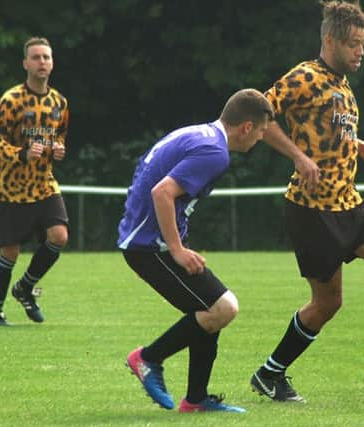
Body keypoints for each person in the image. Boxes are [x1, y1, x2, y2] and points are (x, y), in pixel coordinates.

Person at [249, 1, 364, 403]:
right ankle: (269, 373)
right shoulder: (305, 76)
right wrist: (298, 156)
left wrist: (359, 145)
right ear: (329, 40)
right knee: (327, 303)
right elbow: (259, 114)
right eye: (352, 44)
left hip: (351, 205)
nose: (360, 51)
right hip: (312, 210)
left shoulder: (343, 84)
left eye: (363, 43)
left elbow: (329, 130)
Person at [119, 88, 273, 413]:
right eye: (261, 131)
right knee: (223, 308)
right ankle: (147, 359)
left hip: (147, 240)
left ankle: (196, 400)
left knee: (210, 309)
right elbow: (163, 192)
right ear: (246, 127)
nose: (260, 139)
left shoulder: (199, 133)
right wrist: (175, 248)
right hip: (150, 247)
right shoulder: (215, 151)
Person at [0, 37, 69, 326]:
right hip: (13, 188)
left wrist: (58, 150)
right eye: (36, 57)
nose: (42, 62)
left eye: (46, 57)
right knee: (10, 251)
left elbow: (58, 138)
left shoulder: (59, 102)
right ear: (25, 64)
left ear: (52, 62)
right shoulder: (11, 100)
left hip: (44, 183)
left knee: (59, 236)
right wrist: (19, 154)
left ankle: (25, 288)